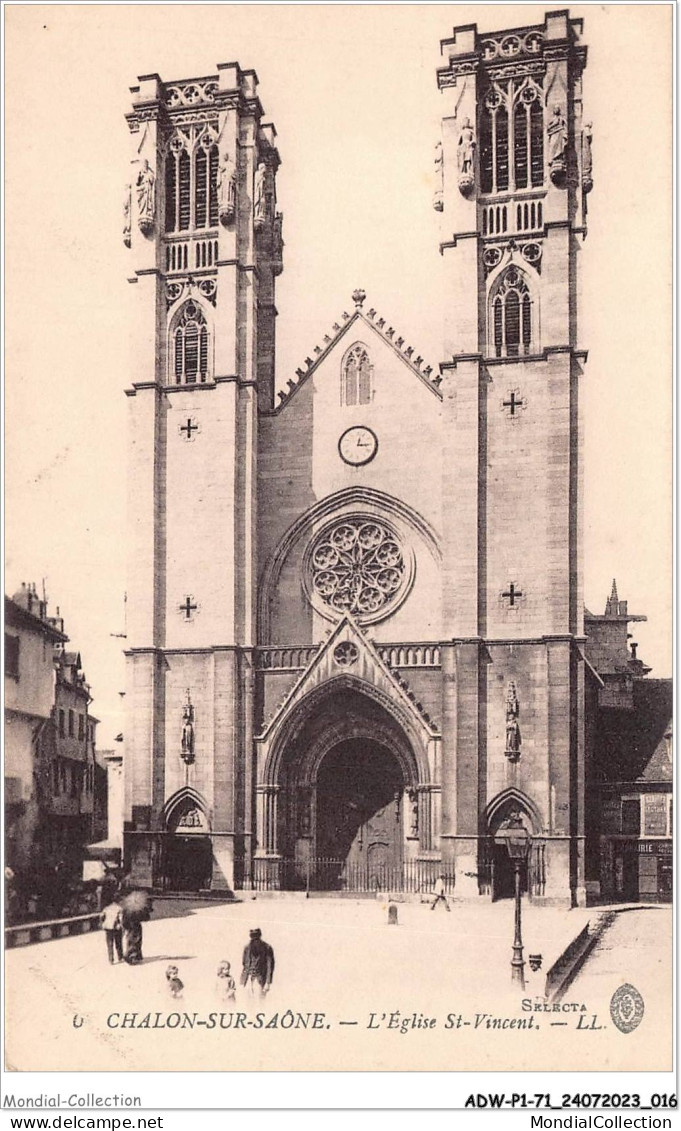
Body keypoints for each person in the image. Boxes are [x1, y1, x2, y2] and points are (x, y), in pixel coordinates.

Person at [240, 928, 275, 997]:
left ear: (259, 936)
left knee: (260, 1003)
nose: (255, 939)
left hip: (260, 980)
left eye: (256, 936)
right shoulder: (247, 948)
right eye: (253, 936)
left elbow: (270, 966)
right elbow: (244, 964)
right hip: (247, 979)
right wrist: (242, 981)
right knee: (248, 1003)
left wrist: (267, 983)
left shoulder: (267, 948)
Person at [101, 899, 124, 964]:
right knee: (118, 943)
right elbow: (121, 918)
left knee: (109, 944)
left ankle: (111, 960)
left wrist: (103, 923)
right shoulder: (119, 908)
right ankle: (120, 957)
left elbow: (102, 916)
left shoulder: (106, 908)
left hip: (108, 927)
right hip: (116, 927)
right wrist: (121, 925)